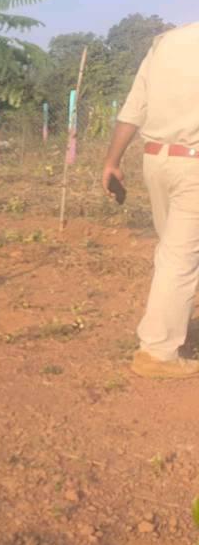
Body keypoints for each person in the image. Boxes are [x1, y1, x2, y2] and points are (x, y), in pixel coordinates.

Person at [101, 22, 199, 379]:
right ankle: (157, 353)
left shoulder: (166, 43)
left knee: (175, 250)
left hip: (156, 161)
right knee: (179, 257)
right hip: (194, 167)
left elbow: (133, 108)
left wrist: (112, 161)